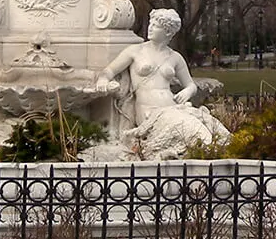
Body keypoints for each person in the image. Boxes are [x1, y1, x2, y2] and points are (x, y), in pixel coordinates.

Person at [96, 9, 229, 158]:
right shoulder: (135, 51)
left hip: (173, 107)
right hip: (150, 113)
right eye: (151, 23)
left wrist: (187, 91)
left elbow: (190, 85)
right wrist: (103, 80)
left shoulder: (175, 57)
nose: (150, 27)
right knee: (198, 131)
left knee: (216, 130)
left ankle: (208, 163)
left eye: (156, 25)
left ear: (168, 32)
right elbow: (109, 71)